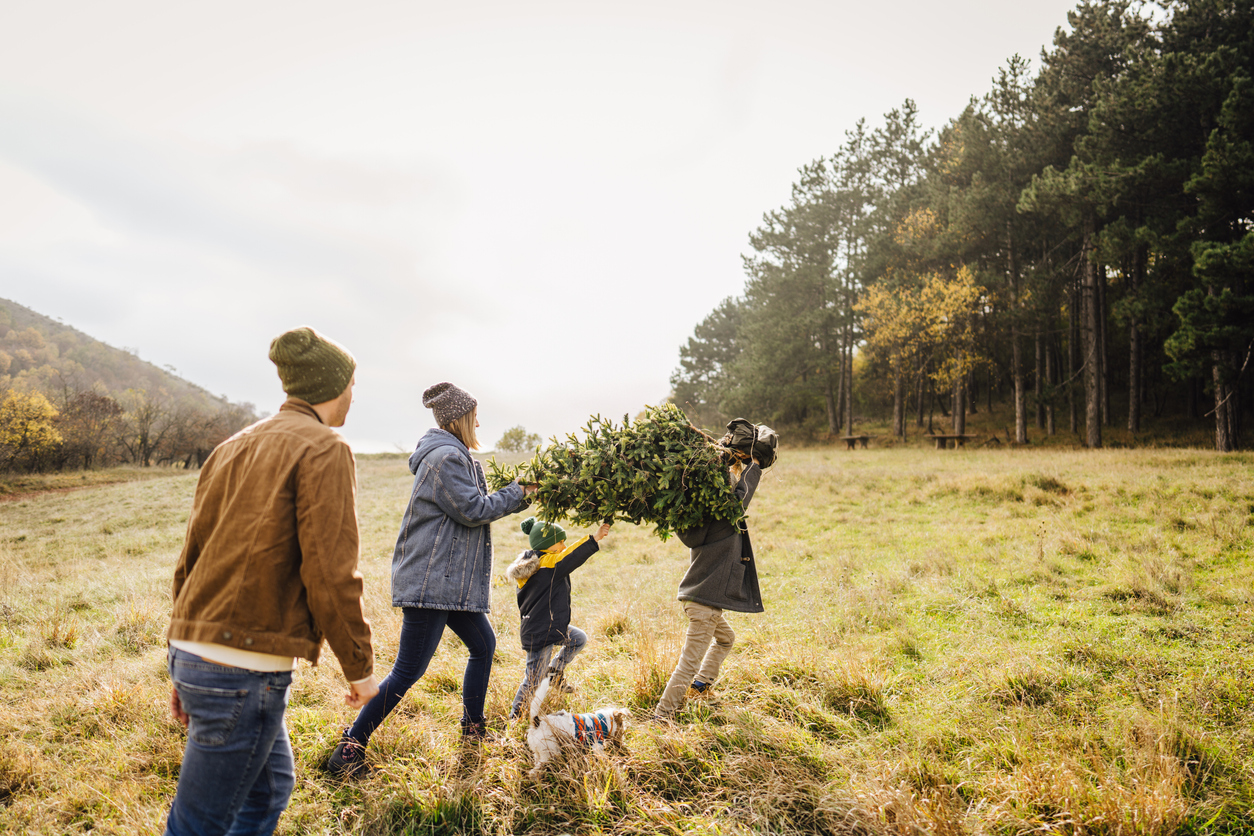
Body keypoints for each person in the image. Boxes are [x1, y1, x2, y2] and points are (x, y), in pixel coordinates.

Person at [164, 326, 378, 836]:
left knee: (268, 790)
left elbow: (189, 559)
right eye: (352, 382)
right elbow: (329, 573)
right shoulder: (326, 448)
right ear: (333, 386)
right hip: (242, 669)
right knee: (198, 824)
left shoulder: (232, 446)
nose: (354, 394)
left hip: (197, 652)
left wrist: (182, 657)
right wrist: (361, 670)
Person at [326, 381, 535, 777]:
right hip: (431, 581)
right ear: (459, 420)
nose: (479, 422)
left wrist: (519, 493)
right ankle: (349, 751)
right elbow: (472, 509)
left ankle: (473, 731)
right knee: (408, 670)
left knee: (483, 644)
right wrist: (517, 492)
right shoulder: (445, 459)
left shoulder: (452, 455)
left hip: (445, 581)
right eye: (474, 416)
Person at [653, 447, 765, 721]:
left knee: (726, 639)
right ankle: (662, 716)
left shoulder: (699, 520)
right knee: (688, 663)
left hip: (696, 597)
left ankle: (701, 685)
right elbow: (740, 498)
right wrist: (754, 466)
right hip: (706, 605)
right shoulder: (724, 520)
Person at [505, 517, 612, 719]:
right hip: (540, 632)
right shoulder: (549, 565)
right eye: (560, 542)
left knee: (578, 639)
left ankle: (554, 671)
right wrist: (594, 538)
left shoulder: (538, 564)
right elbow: (572, 555)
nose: (564, 546)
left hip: (551, 627)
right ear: (547, 545)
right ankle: (515, 717)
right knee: (533, 679)